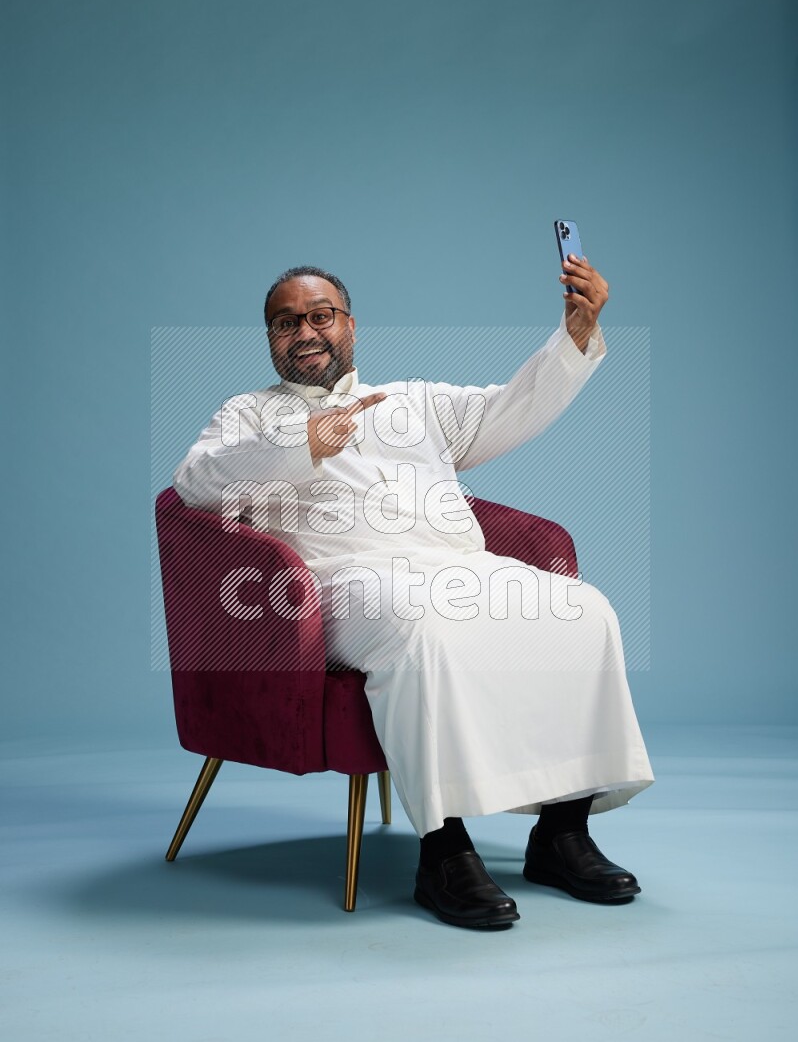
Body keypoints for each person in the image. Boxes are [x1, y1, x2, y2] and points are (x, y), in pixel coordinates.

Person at [173, 260, 654, 930]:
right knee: (422, 623)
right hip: (338, 585)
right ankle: (444, 851)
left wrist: (575, 334)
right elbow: (195, 483)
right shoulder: (248, 414)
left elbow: (509, 408)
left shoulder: (413, 403)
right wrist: (302, 443)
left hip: (453, 565)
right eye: (287, 322)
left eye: (320, 315)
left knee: (584, 611)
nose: (305, 331)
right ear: (271, 339)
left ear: (350, 325)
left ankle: (562, 834)